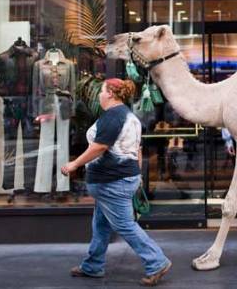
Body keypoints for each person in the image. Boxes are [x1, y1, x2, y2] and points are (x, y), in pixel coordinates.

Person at [62, 78, 171, 286]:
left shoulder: (113, 117)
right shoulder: (130, 117)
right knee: (101, 224)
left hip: (112, 181)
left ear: (111, 93)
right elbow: (137, 149)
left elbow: (99, 147)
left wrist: (74, 164)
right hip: (119, 179)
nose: (99, 95)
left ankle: (157, 262)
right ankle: (93, 265)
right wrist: (137, 175)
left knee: (124, 225)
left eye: (102, 91)